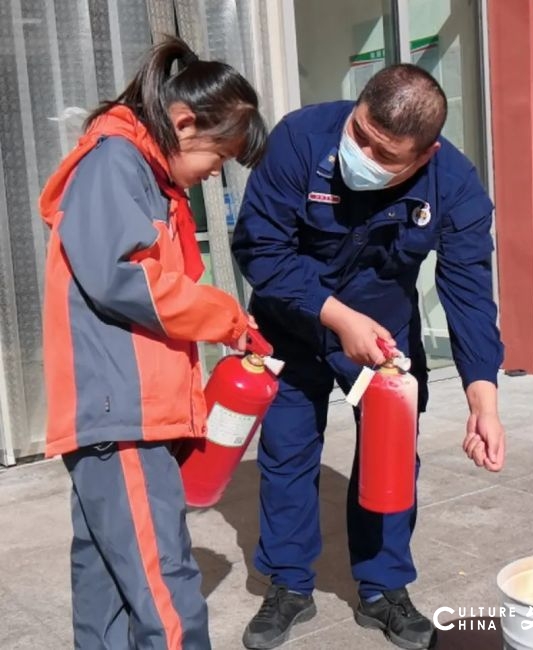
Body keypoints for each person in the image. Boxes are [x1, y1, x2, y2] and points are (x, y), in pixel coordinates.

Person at [232, 64, 506, 650]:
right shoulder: (301, 140)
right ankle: (288, 586)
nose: (363, 153)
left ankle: (383, 589)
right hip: (292, 319)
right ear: (355, 108)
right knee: (286, 451)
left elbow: (469, 293)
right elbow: (261, 248)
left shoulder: (453, 184)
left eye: (386, 153)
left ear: (425, 155)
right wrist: (335, 316)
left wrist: (484, 399)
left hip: (382, 333)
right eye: (359, 134)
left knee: (390, 459)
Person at [39, 36, 265, 650]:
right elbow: (125, 275)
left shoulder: (139, 170)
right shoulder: (117, 162)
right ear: (184, 122)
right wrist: (229, 317)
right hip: (123, 415)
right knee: (166, 586)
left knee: (109, 582)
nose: (217, 170)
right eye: (218, 156)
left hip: (115, 414)